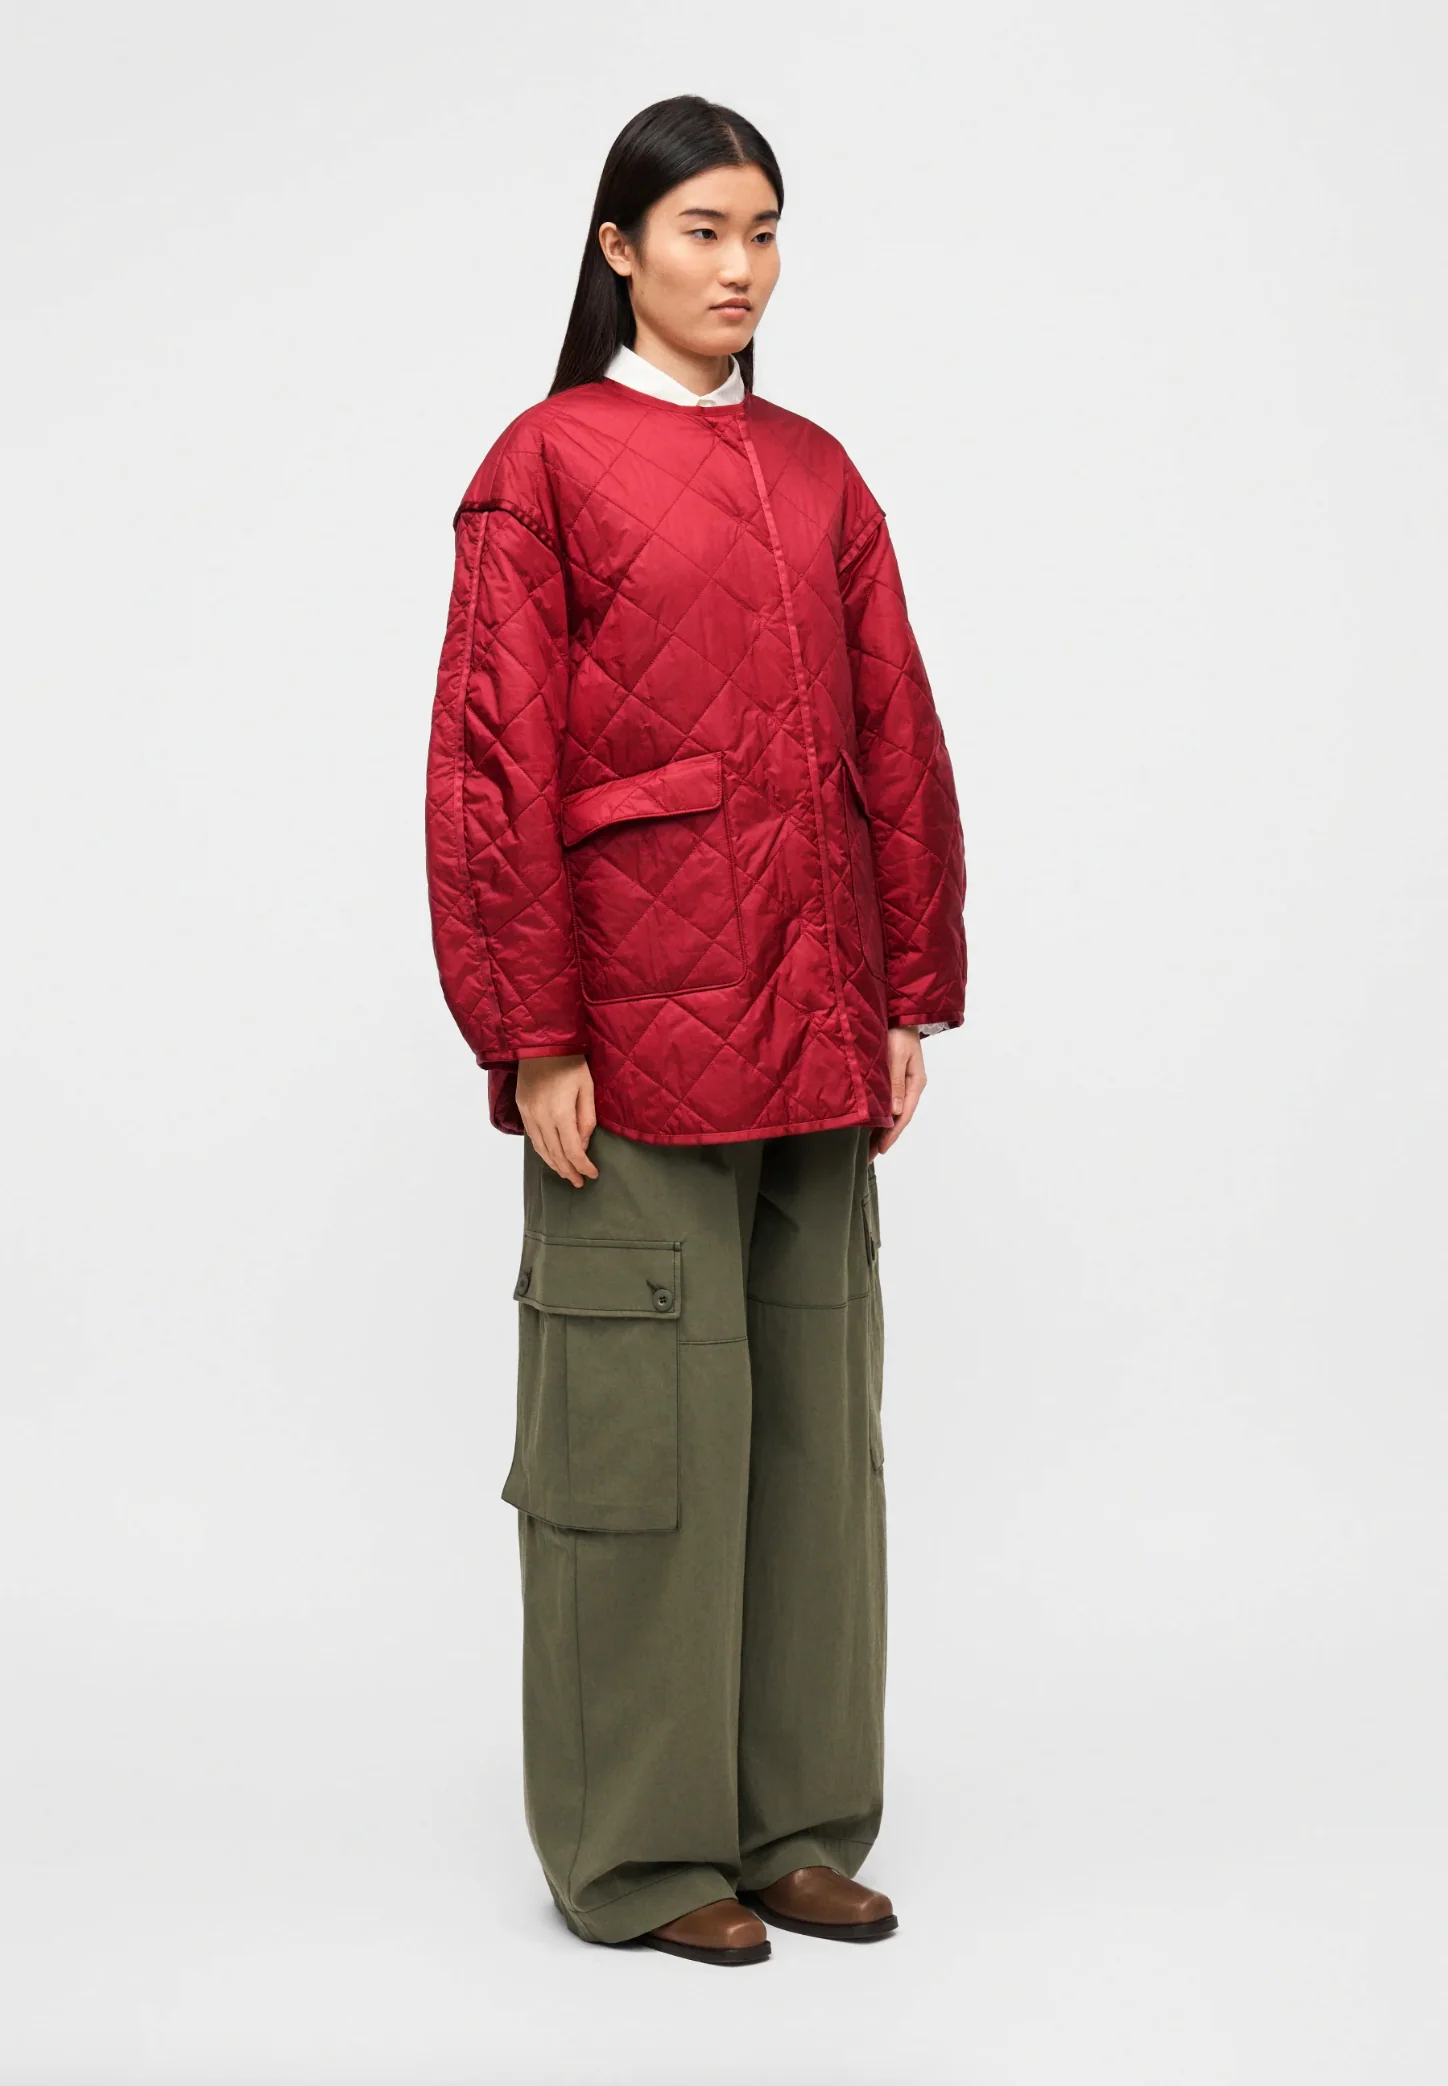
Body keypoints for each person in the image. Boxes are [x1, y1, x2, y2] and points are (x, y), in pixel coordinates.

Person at [425, 93, 967, 1967]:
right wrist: (534, 1029)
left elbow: (897, 730)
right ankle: (645, 1856)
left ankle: (796, 1827)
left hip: (813, 1028)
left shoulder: (820, 473)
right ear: (619, 250)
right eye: (703, 231)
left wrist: (907, 988)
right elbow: (493, 764)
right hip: (635, 1043)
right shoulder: (543, 465)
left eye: (764, 231)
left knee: (814, 1448)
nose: (741, 268)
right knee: (642, 1450)